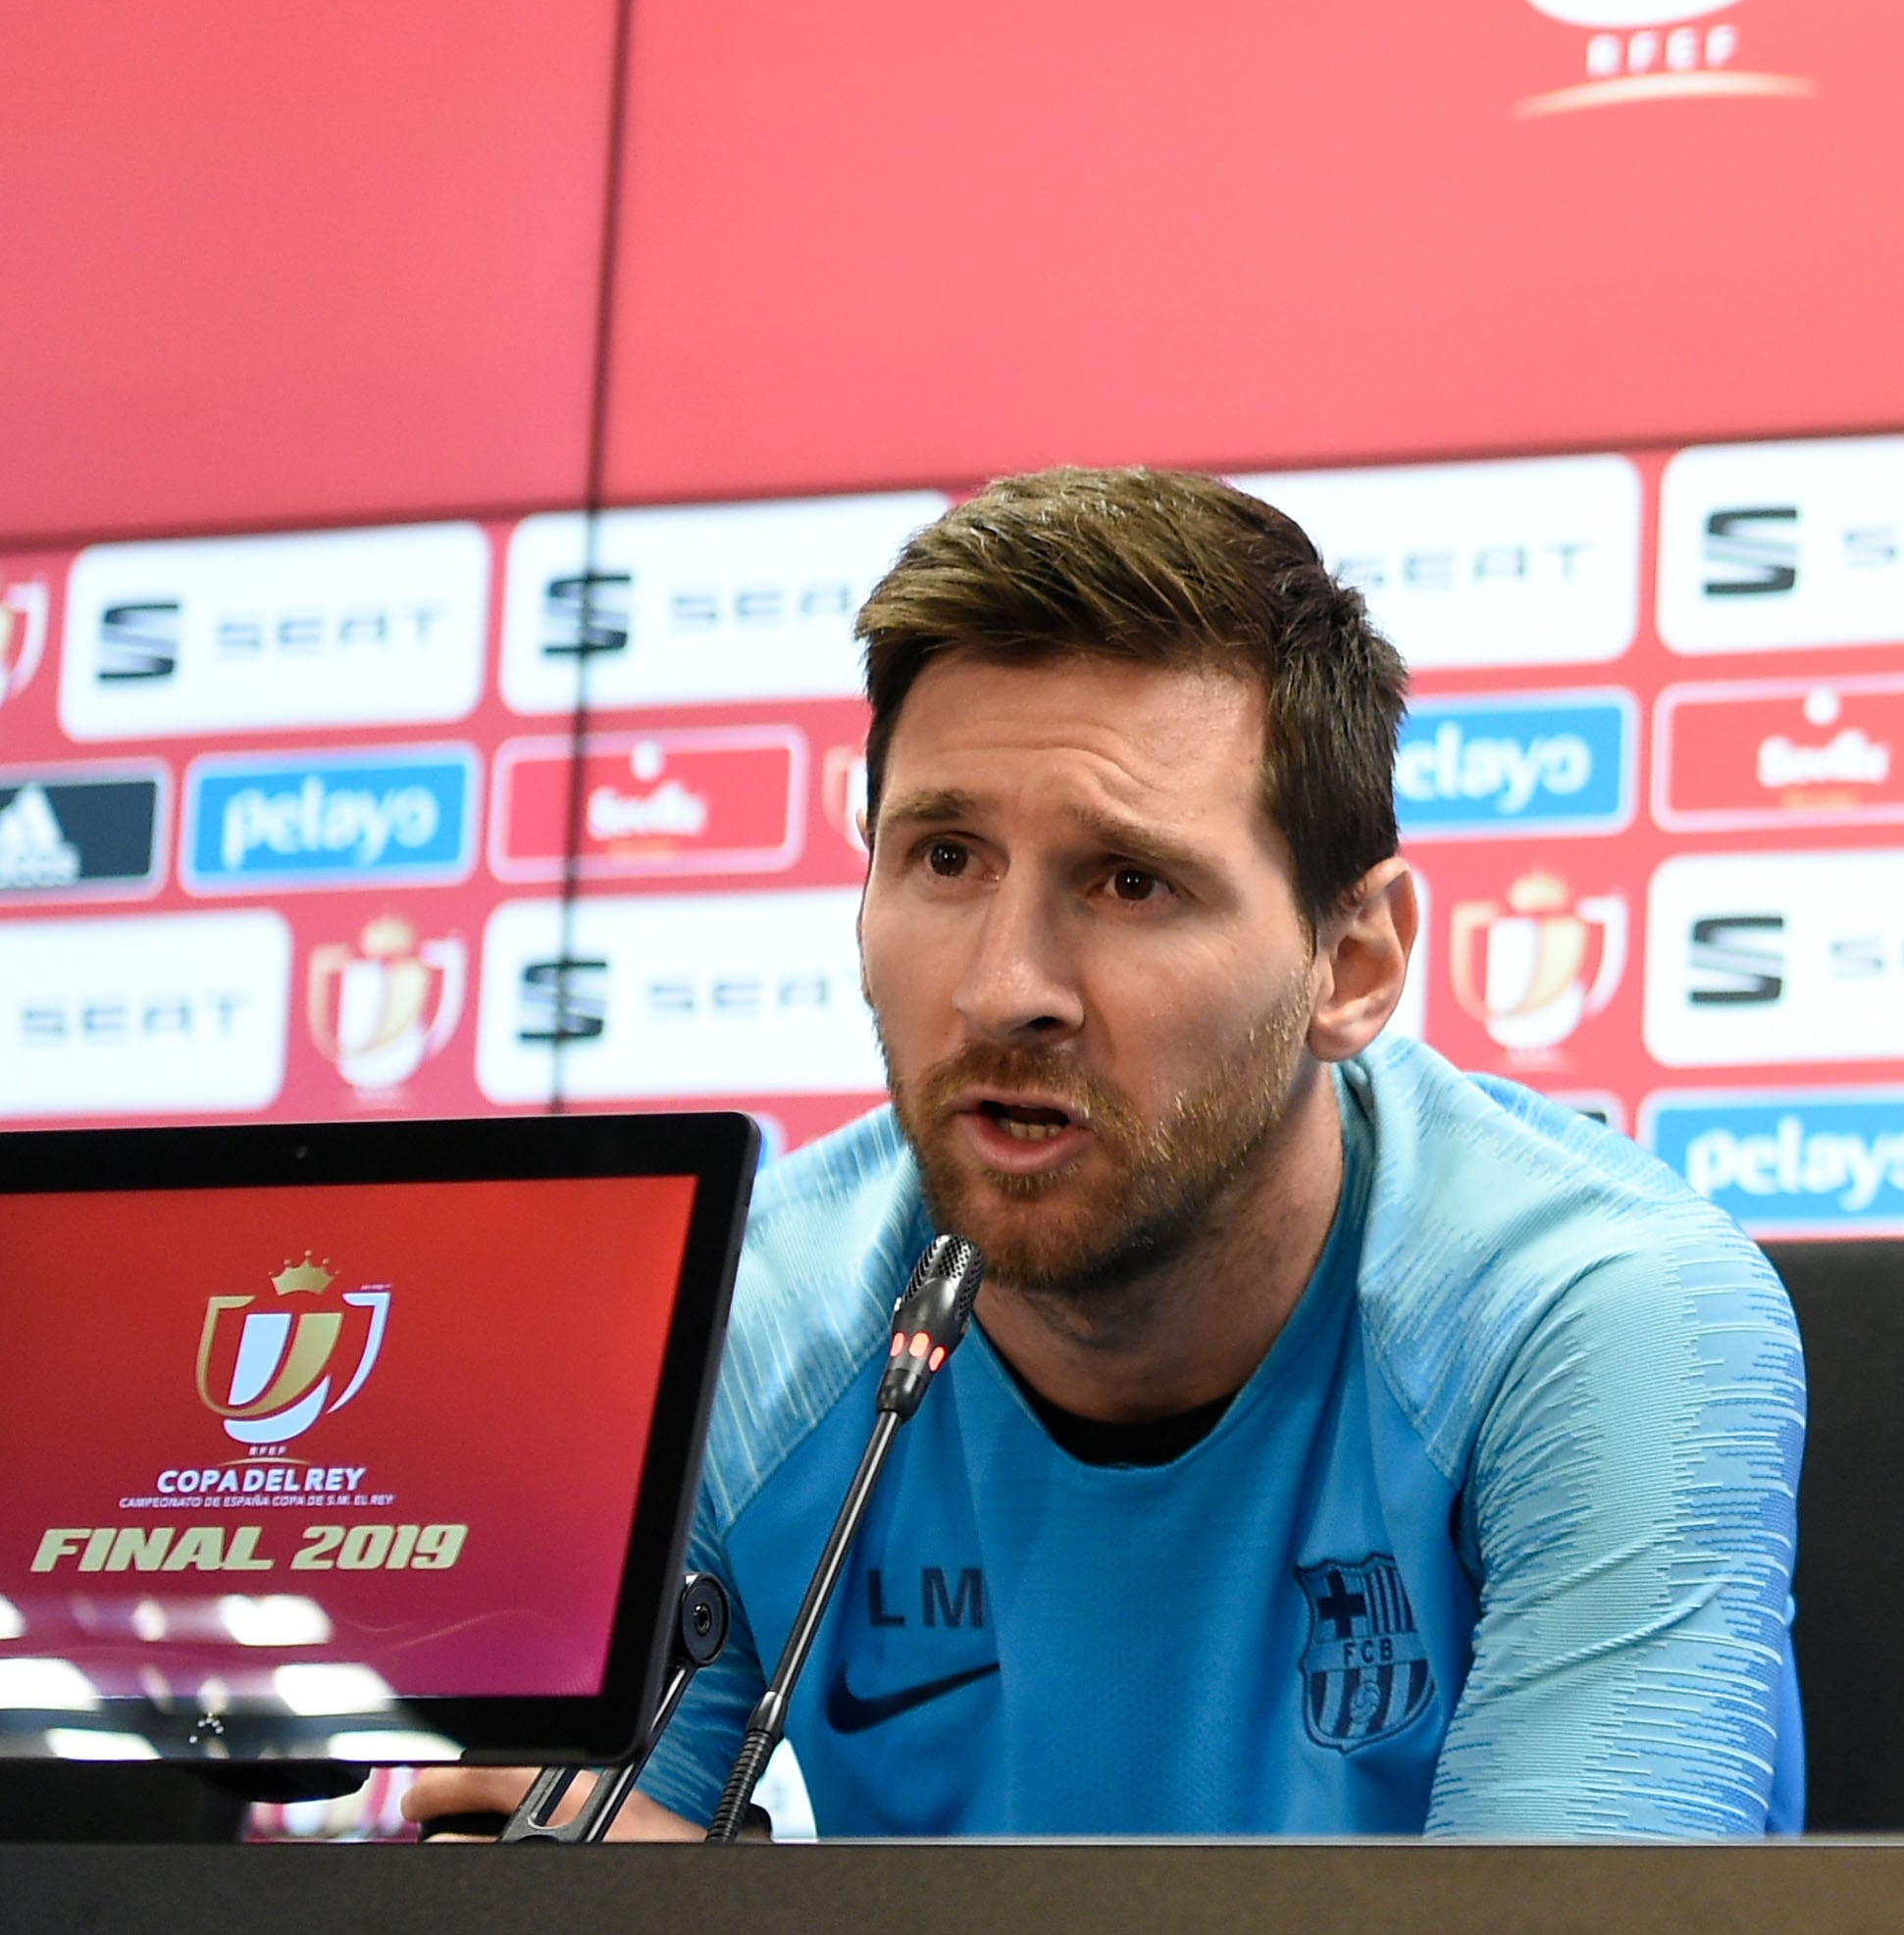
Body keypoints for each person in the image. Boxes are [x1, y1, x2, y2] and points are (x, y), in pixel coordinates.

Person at [414, 467, 1805, 1838]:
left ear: (1353, 963)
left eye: (1130, 882)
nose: (1003, 986)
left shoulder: (1597, 1318)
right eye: (945, 858)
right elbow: (562, 1867)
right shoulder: (746, 1323)